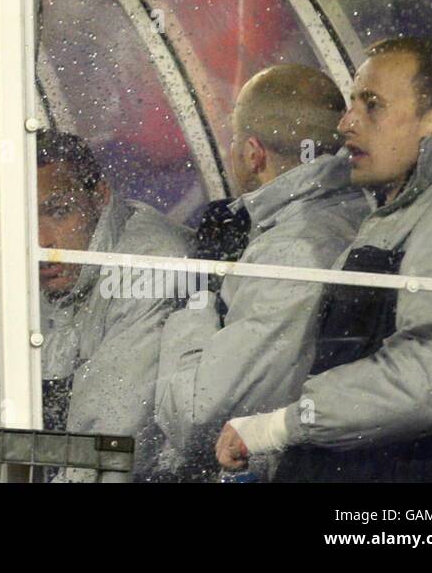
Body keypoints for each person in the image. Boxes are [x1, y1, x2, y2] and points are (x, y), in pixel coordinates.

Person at [216, 37, 432, 482]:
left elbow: (426, 385)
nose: (347, 123)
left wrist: (278, 427)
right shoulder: (401, 209)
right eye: (351, 103)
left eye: (371, 105)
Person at [155, 65, 370, 480]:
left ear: (253, 154)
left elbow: (199, 414)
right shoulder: (353, 212)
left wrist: (198, 301)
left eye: (233, 141)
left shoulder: (292, 250)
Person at [0, 130, 192, 481]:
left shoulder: (150, 267)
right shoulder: (42, 276)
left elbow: (110, 446)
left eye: (59, 212)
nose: (41, 241)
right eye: (19, 221)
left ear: (100, 197)